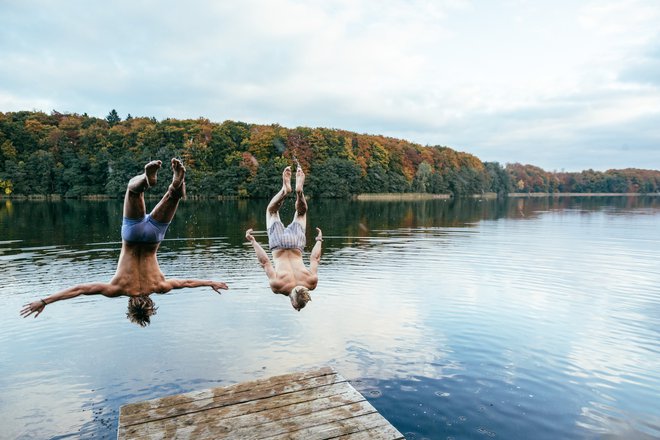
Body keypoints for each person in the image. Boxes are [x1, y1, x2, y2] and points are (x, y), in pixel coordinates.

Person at [20, 158, 228, 326]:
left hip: (153, 237)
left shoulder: (160, 286)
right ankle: (146, 182)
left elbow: (187, 283)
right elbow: (80, 289)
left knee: (174, 197)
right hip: (131, 235)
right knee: (132, 191)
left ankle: (173, 184)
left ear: (149, 303)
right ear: (130, 305)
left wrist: (210, 282)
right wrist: (44, 301)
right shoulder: (117, 288)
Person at [245, 165, 322, 311]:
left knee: (301, 213)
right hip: (278, 245)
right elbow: (265, 262)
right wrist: (253, 241)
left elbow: (315, 258)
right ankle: (284, 190)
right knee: (271, 211)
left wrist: (319, 241)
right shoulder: (277, 286)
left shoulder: (311, 282)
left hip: (296, 243)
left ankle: (297, 192)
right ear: (293, 302)